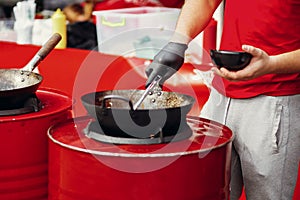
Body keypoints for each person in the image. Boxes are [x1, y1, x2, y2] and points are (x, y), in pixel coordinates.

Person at [145, 0, 300, 200]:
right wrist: (178, 41)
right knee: (204, 192)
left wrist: (272, 64)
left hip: (274, 101)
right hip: (220, 97)